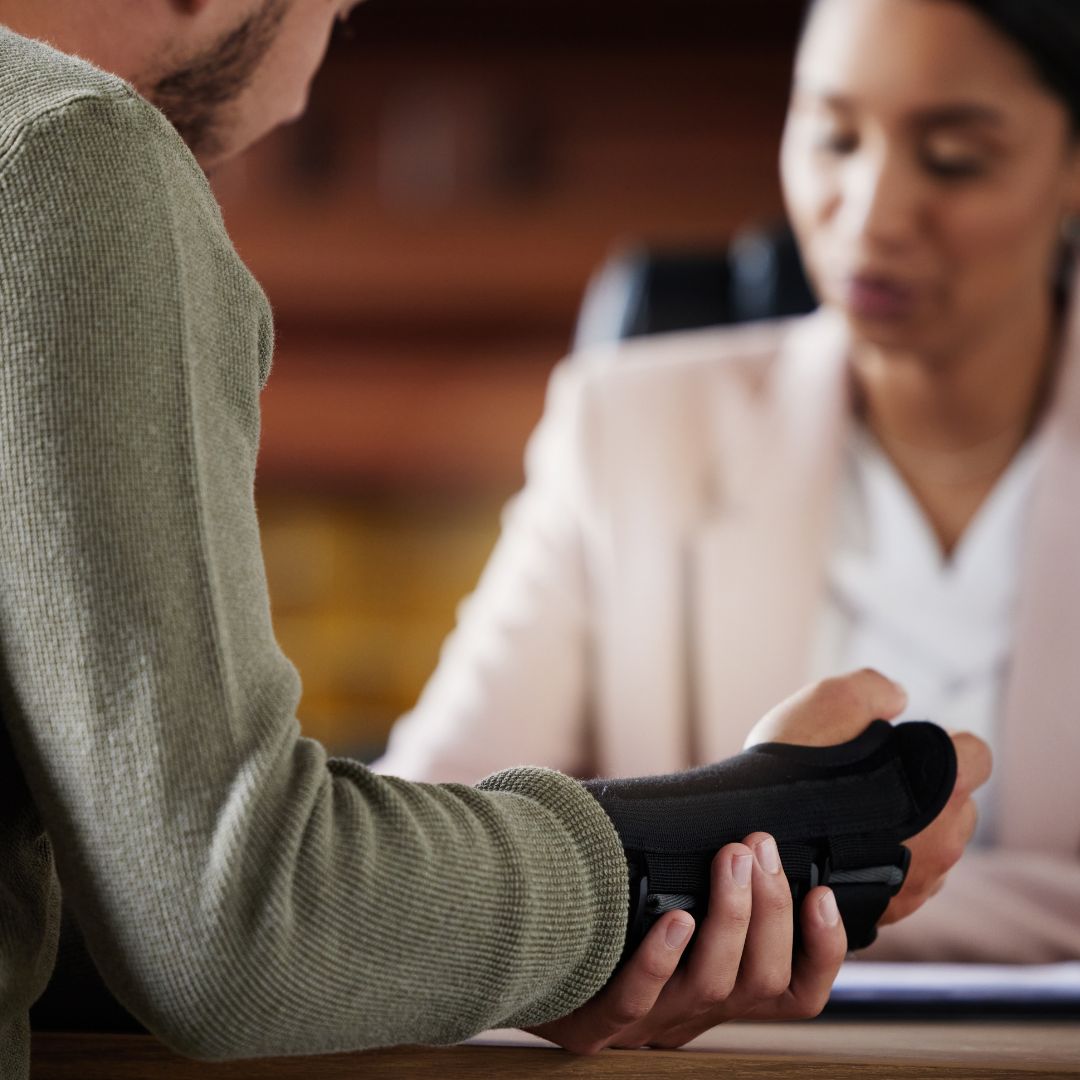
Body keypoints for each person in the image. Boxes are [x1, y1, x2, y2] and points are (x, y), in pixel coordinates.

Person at [0, 1, 989, 1077]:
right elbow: (235, 918)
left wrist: (499, 955)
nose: (327, 44)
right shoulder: (68, 149)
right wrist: (770, 832)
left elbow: (96, 905)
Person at [376, 0, 1080, 963]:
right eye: (832, 136)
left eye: (955, 158)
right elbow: (422, 849)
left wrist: (714, 880)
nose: (869, 213)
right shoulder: (625, 431)